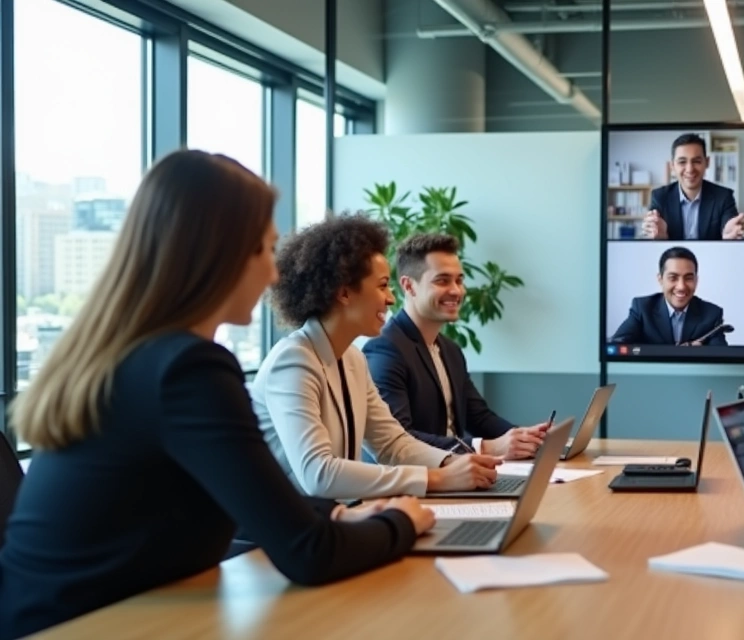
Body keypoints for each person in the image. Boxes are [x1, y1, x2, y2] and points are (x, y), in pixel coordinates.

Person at [0, 151, 438, 640]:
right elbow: (309, 554)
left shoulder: (135, 357)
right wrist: (402, 521)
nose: (274, 275)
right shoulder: (187, 370)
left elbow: (249, 489)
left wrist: (339, 513)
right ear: (217, 253)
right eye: (262, 251)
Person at [252, 220, 500, 501]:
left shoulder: (352, 358)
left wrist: (450, 463)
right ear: (344, 292)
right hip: (285, 533)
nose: (391, 298)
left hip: (336, 519)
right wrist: (437, 478)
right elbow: (318, 474)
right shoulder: (293, 361)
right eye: (383, 286)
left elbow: (392, 443)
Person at [364, 233, 551, 457]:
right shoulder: (385, 349)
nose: (456, 290)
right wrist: (485, 447)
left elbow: (479, 416)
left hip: (458, 477)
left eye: (459, 280)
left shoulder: (450, 349)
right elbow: (400, 439)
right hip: (417, 484)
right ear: (409, 286)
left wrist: (526, 437)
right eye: (442, 280)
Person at [609, 246, 728, 346]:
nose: (681, 286)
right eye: (673, 278)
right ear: (660, 280)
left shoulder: (712, 314)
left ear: (696, 281)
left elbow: (721, 357)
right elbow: (616, 346)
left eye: (688, 278)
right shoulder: (642, 308)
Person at [640, 133, 744, 241]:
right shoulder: (660, 197)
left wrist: (729, 236)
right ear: (672, 166)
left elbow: (730, 230)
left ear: (707, 162)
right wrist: (658, 235)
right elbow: (654, 234)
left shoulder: (724, 197)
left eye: (696, 161)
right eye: (682, 162)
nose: (690, 169)